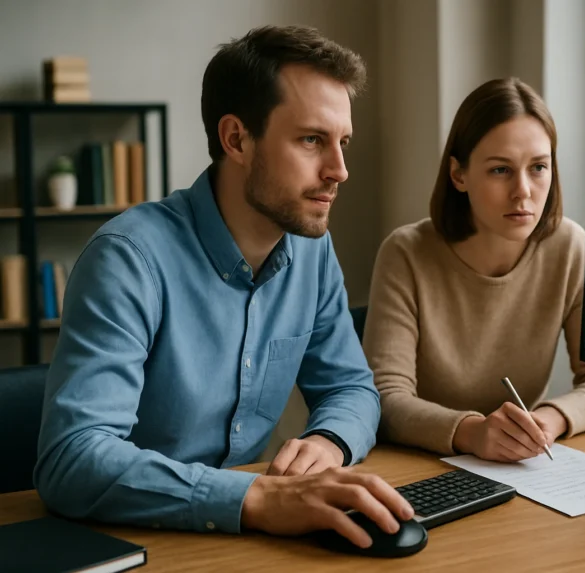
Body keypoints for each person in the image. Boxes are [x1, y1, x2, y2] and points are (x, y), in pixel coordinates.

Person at [34, 25, 412, 549]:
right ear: (236, 138)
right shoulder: (127, 259)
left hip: (255, 540)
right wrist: (255, 498)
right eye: (312, 140)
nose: (340, 170)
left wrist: (329, 441)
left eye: (342, 142)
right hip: (134, 542)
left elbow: (351, 388)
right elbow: (71, 460)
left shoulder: (311, 249)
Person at [362, 77, 585, 462]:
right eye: (500, 170)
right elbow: (384, 398)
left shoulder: (569, 247)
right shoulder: (406, 253)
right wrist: (472, 433)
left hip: (518, 466)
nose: (523, 190)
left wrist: (548, 420)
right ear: (459, 174)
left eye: (538, 167)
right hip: (418, 466)